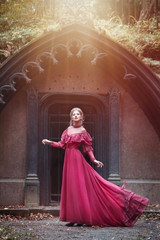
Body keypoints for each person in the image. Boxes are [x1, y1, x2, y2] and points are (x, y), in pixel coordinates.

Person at [42, 107, 149, 227]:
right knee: (73, 189)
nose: (76, 116)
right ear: (71, 117)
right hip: (69, 161)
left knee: (81, 187)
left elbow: (87, 148)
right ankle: (75, 217)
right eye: (74, 114)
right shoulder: (67, 130)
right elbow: (62, 144)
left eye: (78, 114)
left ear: (81, 117)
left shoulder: (83, 131)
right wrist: (49, 142)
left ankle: (84, 218)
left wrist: (94, 160)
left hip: (77, 160)